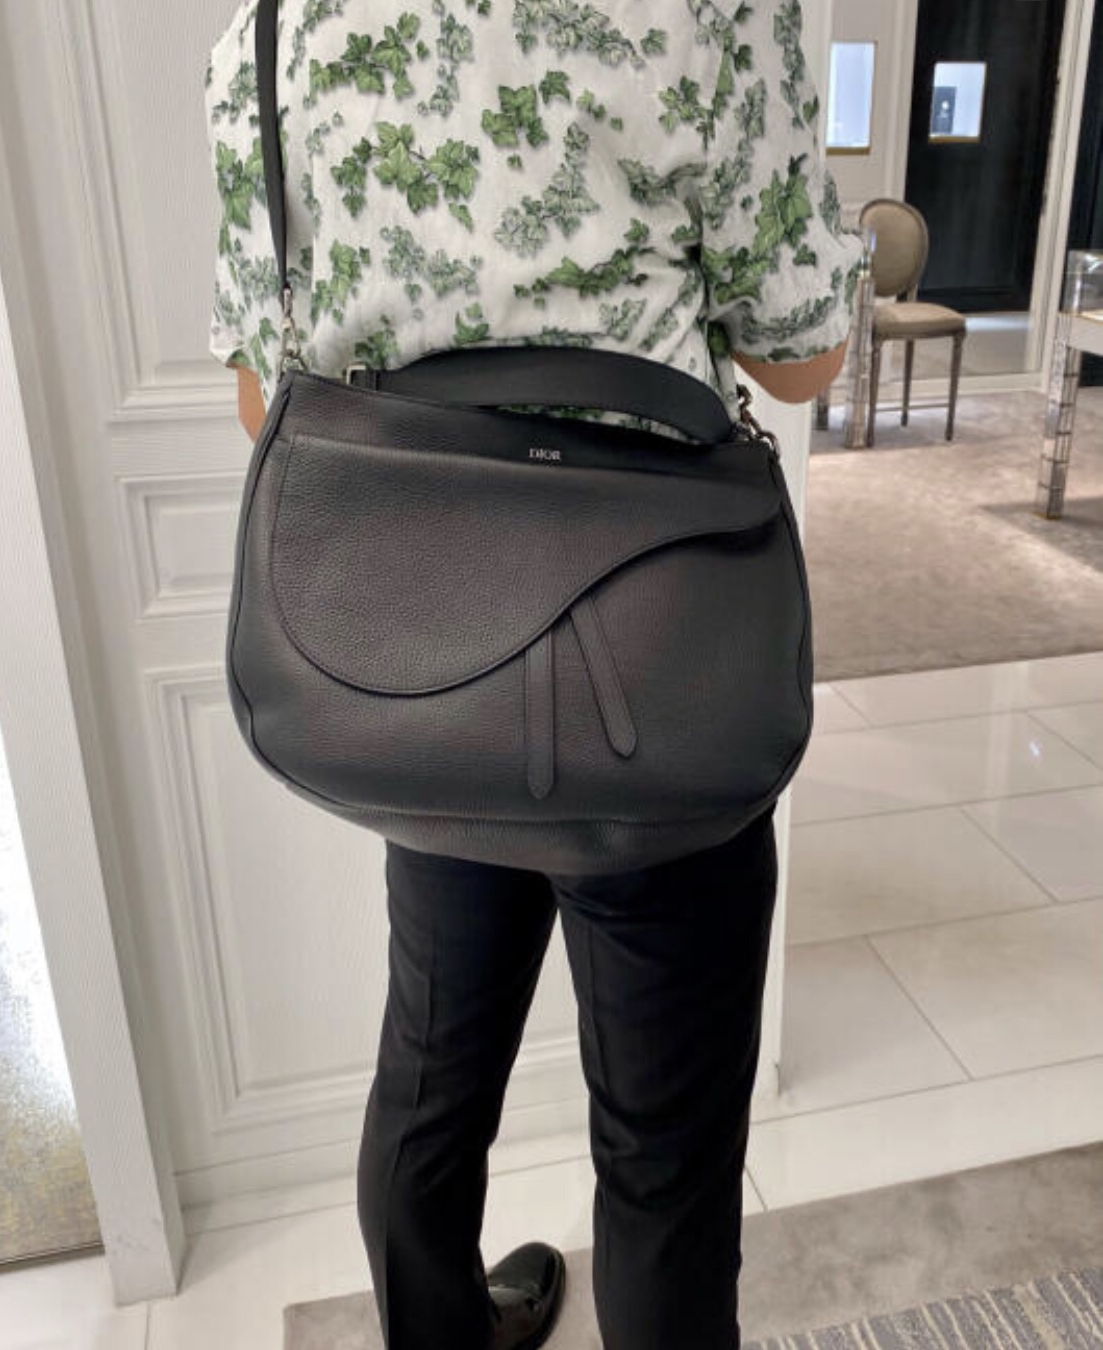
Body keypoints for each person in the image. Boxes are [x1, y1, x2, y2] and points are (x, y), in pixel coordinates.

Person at [204, 3, 860, 1347]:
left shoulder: (274, 32)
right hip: (660, 675)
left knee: (428, 1083)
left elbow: (269, 401)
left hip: (421, 677)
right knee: (666, 1155)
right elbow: (801, 362)